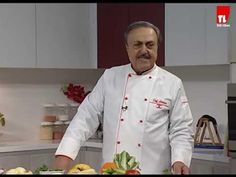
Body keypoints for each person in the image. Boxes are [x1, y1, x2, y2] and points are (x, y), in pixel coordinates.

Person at [53, 21, 194, 174]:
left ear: (157, 48)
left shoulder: (172, 83)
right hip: (112, 171)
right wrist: (63, 158)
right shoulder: (110, 77)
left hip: (154, 170)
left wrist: (180, 160)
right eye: (137, 44)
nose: (144, 50)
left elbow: (181, 129)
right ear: (127, 48)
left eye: (150, 44)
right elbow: (84, 118)